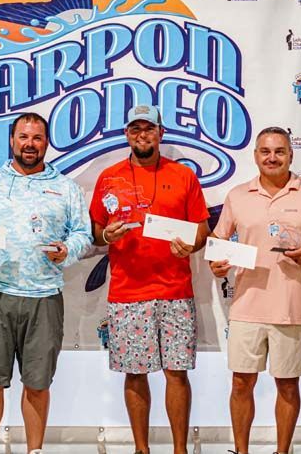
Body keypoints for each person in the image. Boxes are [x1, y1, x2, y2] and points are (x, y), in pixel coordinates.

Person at [0, 112, 92, 454]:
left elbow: (83, 234)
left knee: (37, 384)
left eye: (36, 138)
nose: (29, 144)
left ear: (46, 142)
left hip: (44, 298)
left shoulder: (65, 187)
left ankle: (35, 451)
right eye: (23, 137)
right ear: (12, 140)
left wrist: (68, 250)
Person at [209, 127, 301, 454]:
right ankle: (241, 451)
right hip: (246, 308)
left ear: (291, 155)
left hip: (292, 308)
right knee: (241, 383)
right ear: (255, 155)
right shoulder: (237, 196)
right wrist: (217, 263)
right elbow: (217, 240)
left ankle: (282, 451)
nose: (272, 157)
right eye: (266, 151)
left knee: (287, 386)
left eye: (279, 151)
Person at [89, 104, 210, 454]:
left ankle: (179, 449)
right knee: (135, 373)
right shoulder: (109, 177)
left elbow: (202, 229)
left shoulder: (184, 176)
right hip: (128, 292)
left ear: (161, 132)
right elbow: (96, 231)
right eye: (135, 129)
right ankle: (141, 449)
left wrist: (191, 245)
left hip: (175, 291)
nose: (142, 135)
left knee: (177, 372)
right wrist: (106, 236)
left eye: (149, 128)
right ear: (127, 134)